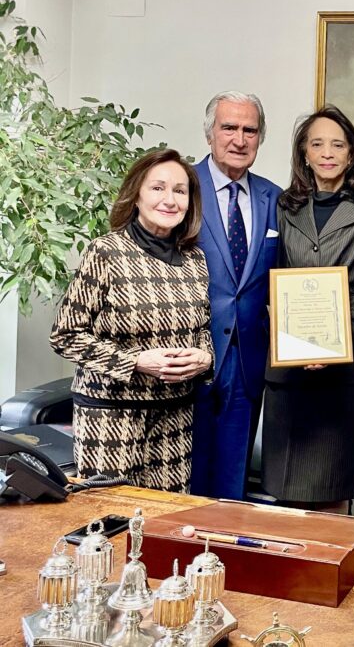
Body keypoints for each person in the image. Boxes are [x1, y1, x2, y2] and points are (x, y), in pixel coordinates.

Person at [50, 149, 214, 493]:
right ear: (136, 195)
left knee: (162, 526)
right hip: (111, 417)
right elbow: (65, 335)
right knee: (109, 521)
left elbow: (201, 329)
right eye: (158, 188)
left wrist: (205, 357)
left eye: (180, 191)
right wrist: (135, 361)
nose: (169, 200)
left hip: (175, 417)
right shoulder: (105, 252)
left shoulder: (195, 259)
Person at [262, 105, 354, 513]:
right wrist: (297, 342)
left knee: (332, 491)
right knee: (283, 492)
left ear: (352, 153)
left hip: (341, 372)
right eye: (317, 143)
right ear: (304, 152)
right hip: (287, 373)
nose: (328, 152)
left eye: (338, 144)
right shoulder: (282, 206)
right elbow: (271, 277)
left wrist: (324, 344)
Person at [191, 91, 281, 500]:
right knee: (182, 475)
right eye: (229, 127)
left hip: (247, 361)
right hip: (188, 356)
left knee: (232, 483)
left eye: (250, 130)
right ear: (210, 133)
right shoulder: (180, 187)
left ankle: (220, 560)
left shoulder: (275, 198)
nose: (239, 139)